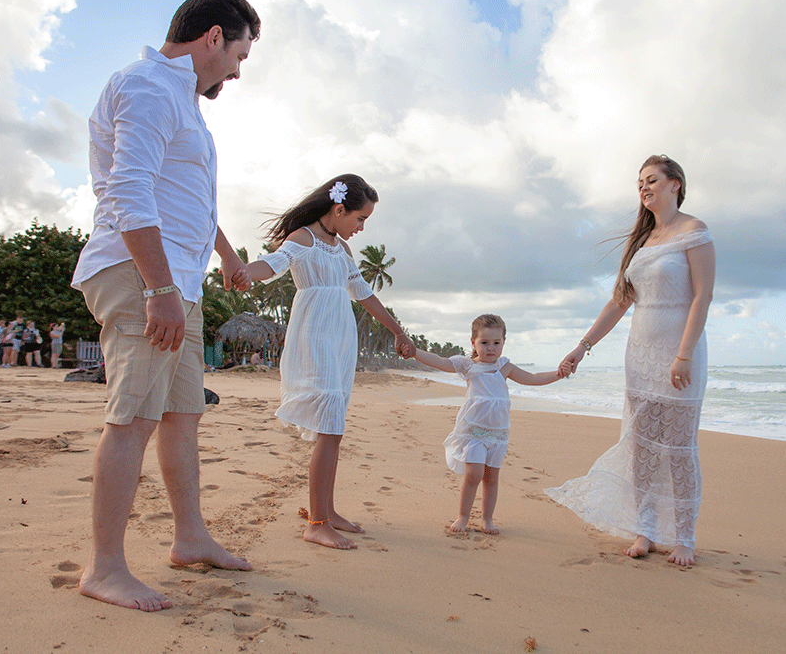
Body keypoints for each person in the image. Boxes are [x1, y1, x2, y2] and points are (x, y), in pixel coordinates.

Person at [69, 0, 261, 612]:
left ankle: (190, 537)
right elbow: (129, 188)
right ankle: (104, 567)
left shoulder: (179, 99)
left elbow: (186, 192)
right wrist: (157, 288)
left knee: (182, 413)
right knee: (134, 418)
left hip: (177, 276)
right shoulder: (150, 86)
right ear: (212, 37)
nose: (236, 72)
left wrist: (225, 254)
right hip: (141, 273)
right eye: (239, 54)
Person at [545, 155, 715, 567]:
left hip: (679, 354)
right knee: (641, 449)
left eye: (652, 180)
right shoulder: (642, 242)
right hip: (639, 355)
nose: (644, 187)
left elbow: (701, 296)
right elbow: (620, 301)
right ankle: (646, 530)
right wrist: (582, 346)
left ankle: (685, 537)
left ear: (676, 184)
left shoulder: (694, 231)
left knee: (677, 449)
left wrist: (684, 354)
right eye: (639, 182)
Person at [245, 174, 417, 550]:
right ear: (339, 209)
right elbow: (271, 265)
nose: (360, 228)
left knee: (334, 428)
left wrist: (397, 331)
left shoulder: (342, 251)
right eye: (360, 219)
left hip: (339, 338)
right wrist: (244, 273)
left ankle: (327, 511)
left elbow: (364, 294)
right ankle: (317, 522)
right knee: (329, 422)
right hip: (314, 336)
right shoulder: (302, 239)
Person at [411, 314, 566, 535]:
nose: (490, 348)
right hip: (474, 431)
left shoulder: (505, 367)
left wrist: (558, 374)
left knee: (492, 478)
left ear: (503, 342)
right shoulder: (468, 366)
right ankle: (463, 516)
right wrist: (414, 352)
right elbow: (440, 361)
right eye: (484, 343)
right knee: (474, 473)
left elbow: (532, 378)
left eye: (496, 343)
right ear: (473, 342)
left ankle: (487, 519)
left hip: (499, 433)